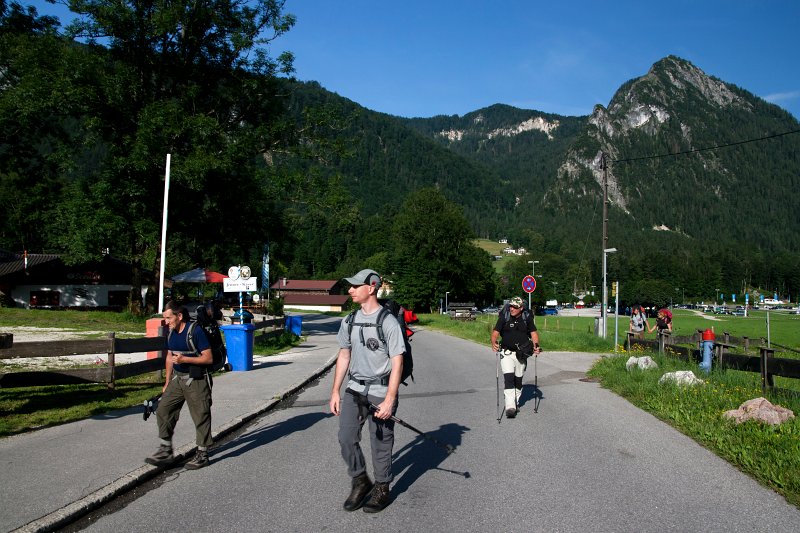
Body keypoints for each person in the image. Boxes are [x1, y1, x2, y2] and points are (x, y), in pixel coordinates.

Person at [329, 268, 405, 513]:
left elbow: (397, 362)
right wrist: (335, 391)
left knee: (380, 442)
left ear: (371, 287)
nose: (350, 290)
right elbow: (343, 355)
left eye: (355, 286)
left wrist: (390, 400)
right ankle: (361, 480)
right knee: (346, 438)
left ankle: (382, 487)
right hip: (354, 389)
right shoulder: (349, 320)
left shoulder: (389, 322)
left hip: (381, 390)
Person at [145, 300, 214, 470]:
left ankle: (202, 453)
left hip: (196, 379)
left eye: (168, 318)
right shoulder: (171, 333)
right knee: (163, 410)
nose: (166, 322)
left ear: (179, 316)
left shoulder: (195, 331)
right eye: (165, 318)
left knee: (200, 415)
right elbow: (169, 357)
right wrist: (167, 382)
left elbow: (208, 358)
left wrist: (185, 359)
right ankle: (166, 450)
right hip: (177, 379)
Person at [490, 296, 542, 418]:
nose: (511, 308)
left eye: (515, 307)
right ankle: (510, 407)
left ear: (521, 308)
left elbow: (533, 333)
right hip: (506, 353)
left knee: (518, 380)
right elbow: (495, 334)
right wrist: (494, 343)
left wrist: (536, 346)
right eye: (510, 306)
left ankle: (515, 401)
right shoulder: (504, 316)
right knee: (508, 379)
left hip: (521, 354)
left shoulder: (527, 317)